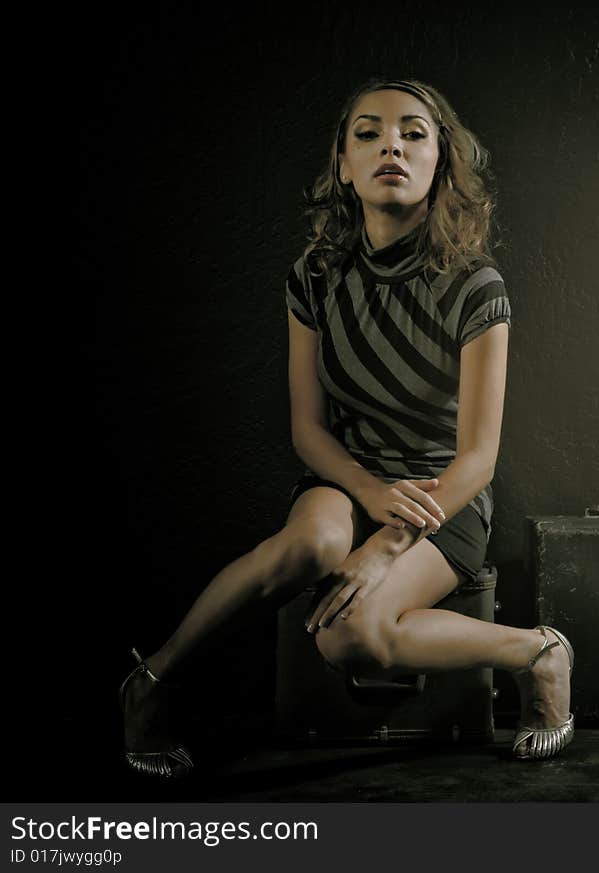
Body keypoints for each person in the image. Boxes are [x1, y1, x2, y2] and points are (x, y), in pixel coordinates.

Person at [119, 78, 574, 778]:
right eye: (368, 132)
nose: (391, 143)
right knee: (313, 540)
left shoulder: (476, 285)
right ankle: (151, 681)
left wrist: (387, 546)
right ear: (343, 165)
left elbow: (479, 458)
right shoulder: (315, 276)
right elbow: (309, 430)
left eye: (413, 133)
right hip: (348, 469)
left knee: (350, 636)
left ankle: (538, 651)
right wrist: (365, 492)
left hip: (441, 491)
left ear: (441, 162)